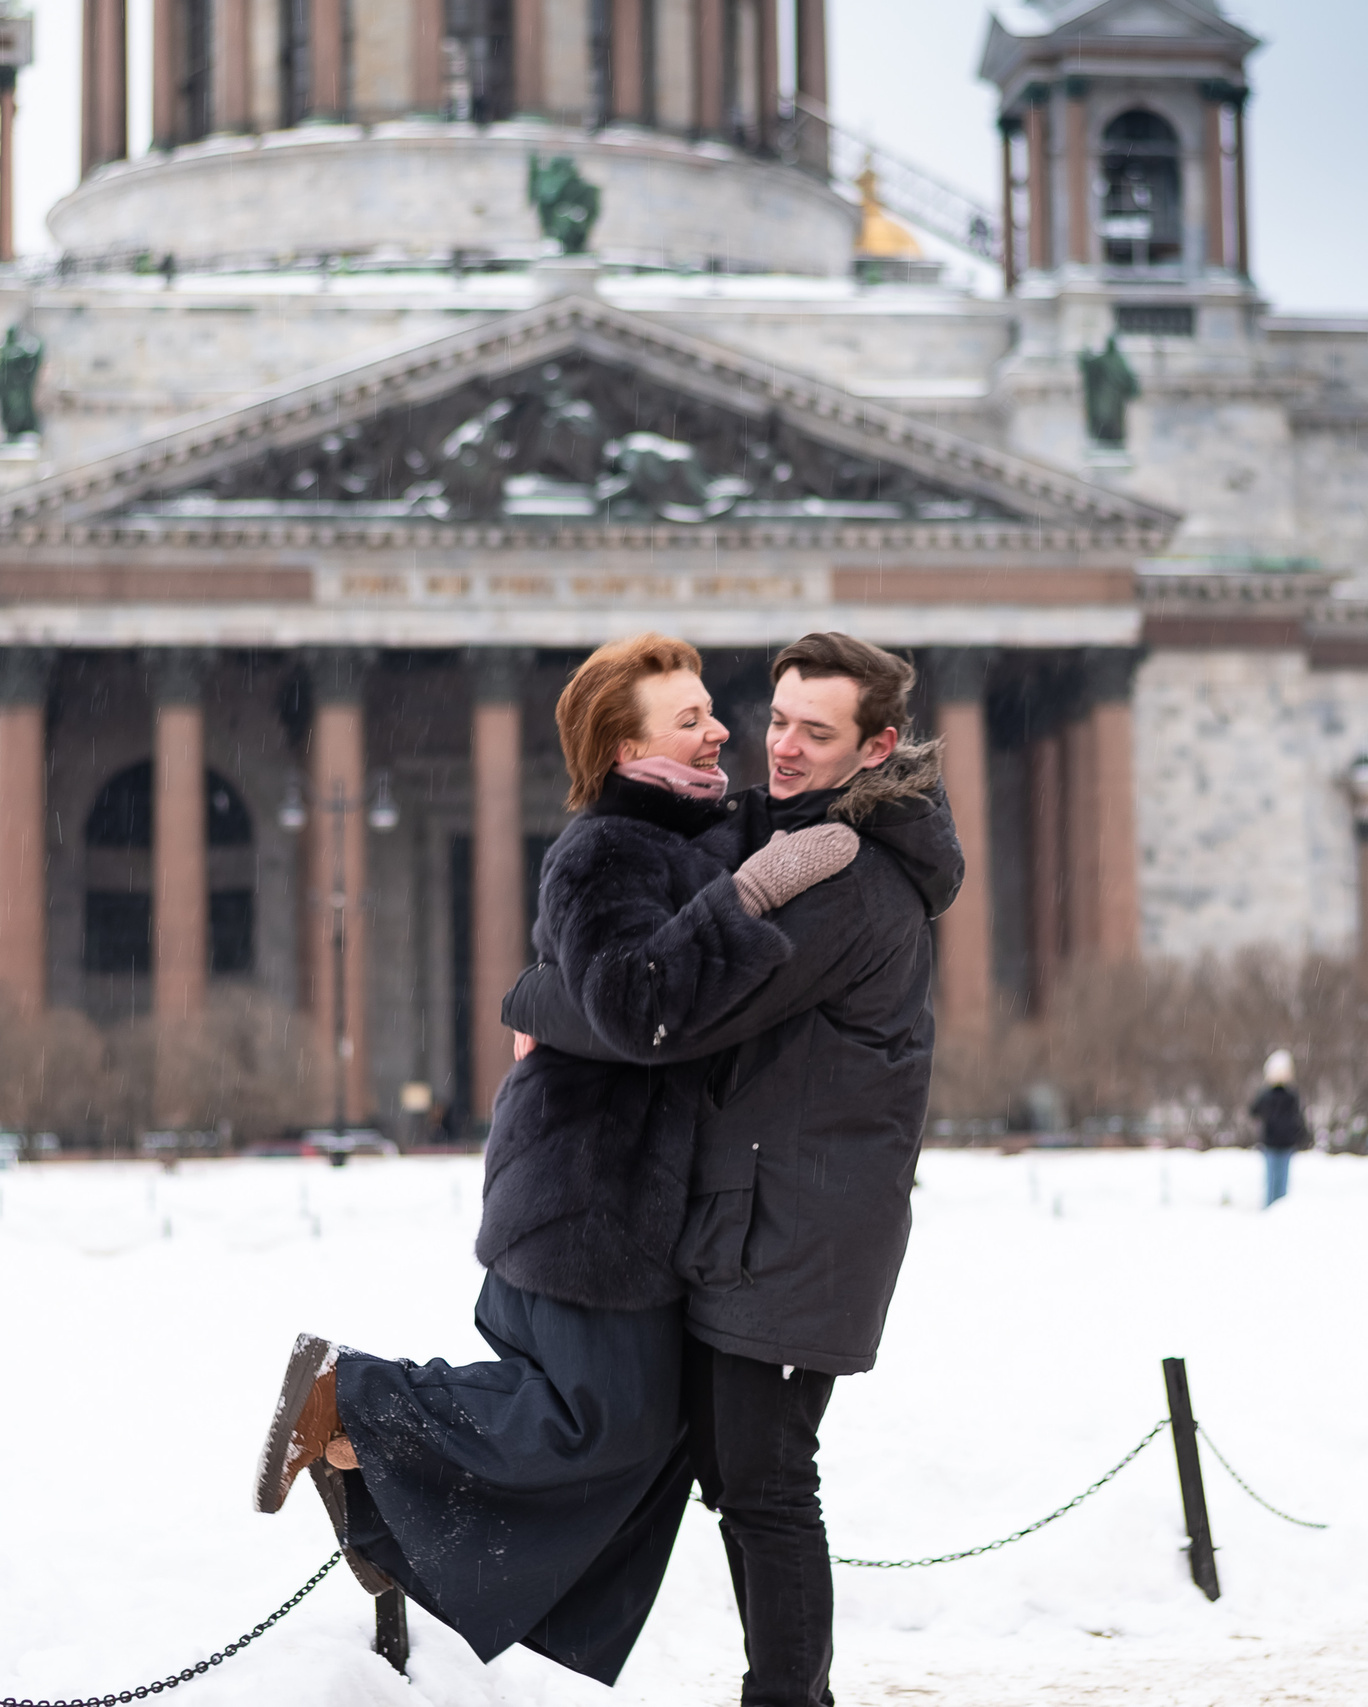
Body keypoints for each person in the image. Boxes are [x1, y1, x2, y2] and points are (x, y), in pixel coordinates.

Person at [253, 634, 860, 1684]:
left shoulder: (703, 829)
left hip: (639, 1205)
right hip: (587, 1191)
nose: (721, 730)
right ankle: (351, 1398)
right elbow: (634, 1004)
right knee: (595, 1427)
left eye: (712, 710)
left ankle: (369, 1465)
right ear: (627, 746)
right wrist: (749, 899)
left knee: (646, 1433)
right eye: (690, 718)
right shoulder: (606, 850)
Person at [504, 632, 963, 1707]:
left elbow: (671, 1014)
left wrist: (531, 998)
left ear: (877, 746)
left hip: (799, 1225)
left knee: (766, 1483)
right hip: (760, 1212)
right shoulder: (796, 832)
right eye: (779, 720)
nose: (783, 747)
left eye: (817, 732)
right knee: (743, 1474)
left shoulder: (846, 877)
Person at [1249, 1050, 1309, 1207]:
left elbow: (1254, 1111)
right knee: (1280, 1181)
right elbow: (1298, 1118)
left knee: (1273, 1180)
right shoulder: (1290, 1095)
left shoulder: (1270, 1095)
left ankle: (1274, 1209)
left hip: (1275, 1142)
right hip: (1282, 1143)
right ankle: (1277, 1209)